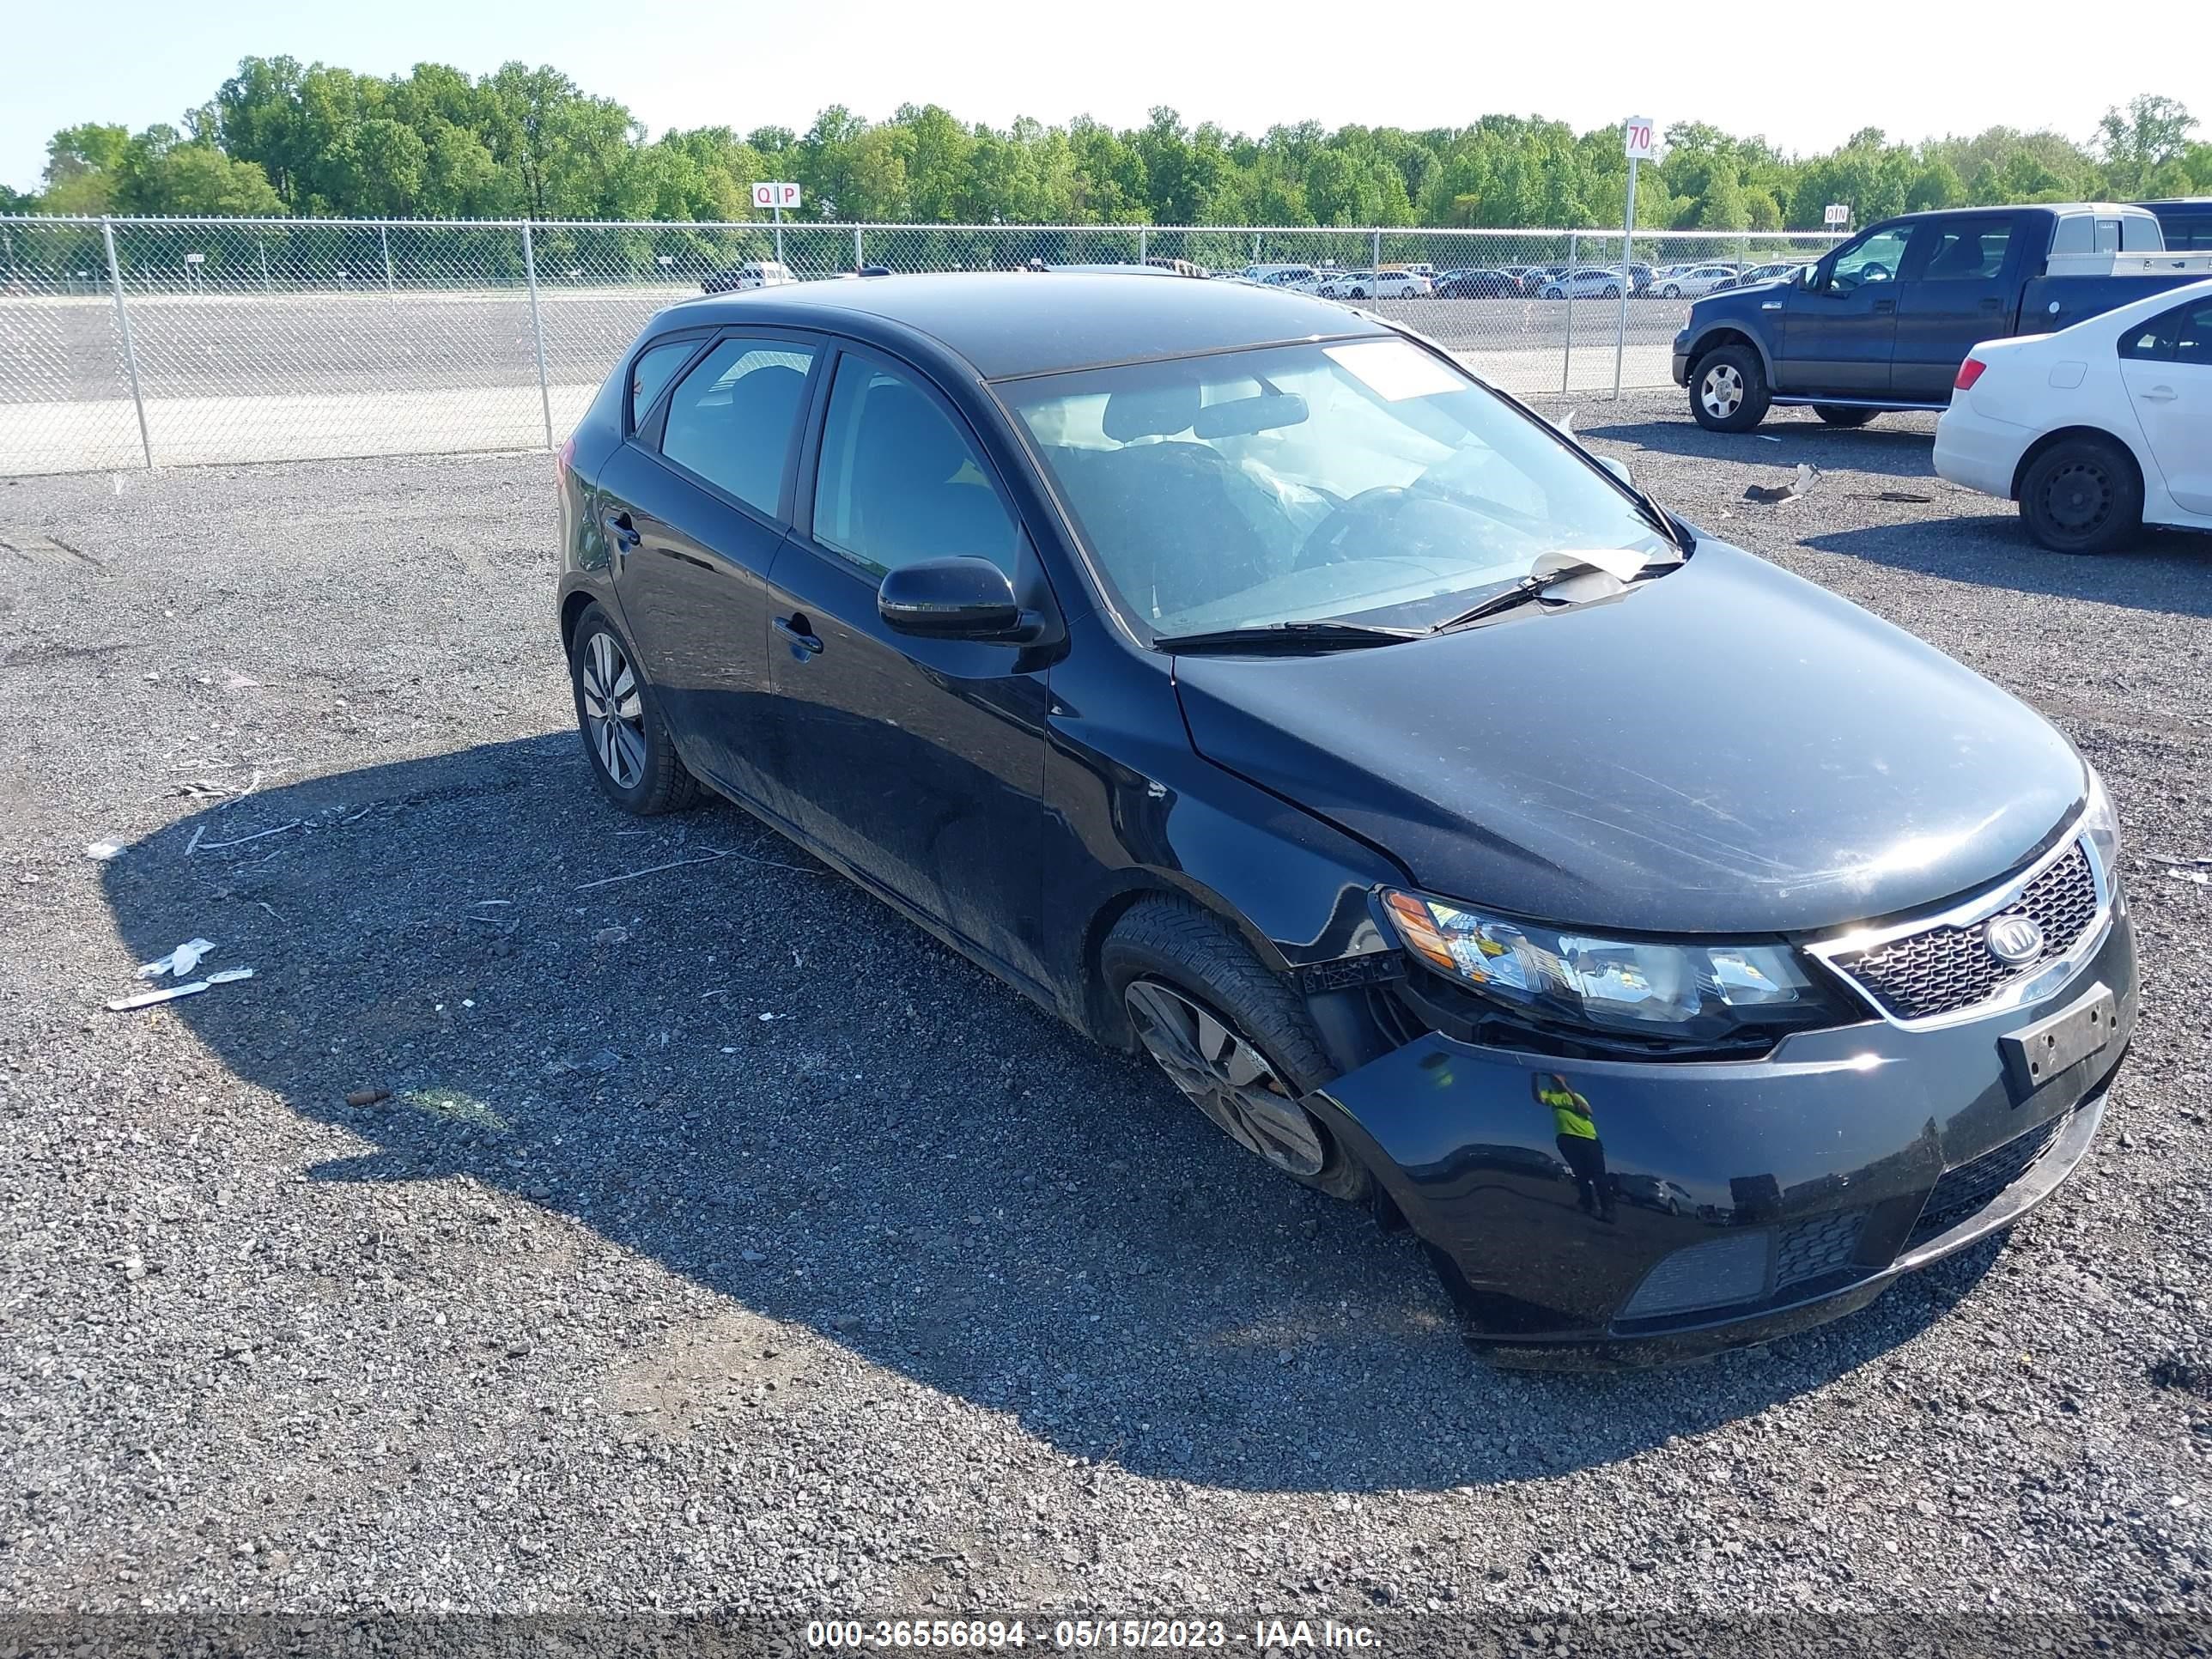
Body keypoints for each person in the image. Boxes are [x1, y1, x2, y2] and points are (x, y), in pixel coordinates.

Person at [1534, 1072, 1613, 1220]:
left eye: (1558, 1078)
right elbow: (1538, 1098)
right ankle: (1586, 1204)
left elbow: (1587, 1111)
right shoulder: (1551, 1095)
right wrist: (1534, 1078)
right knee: (1580, 1174)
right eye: (1553, 1079)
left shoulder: (1577, 1096)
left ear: (1565, 1080)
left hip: (1588, 1138)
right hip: (1565, 1138)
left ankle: (1608, 1210)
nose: (1555, 1080)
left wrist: (1566, 1088)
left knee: (1598, 1175)